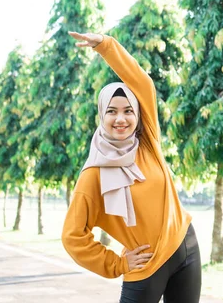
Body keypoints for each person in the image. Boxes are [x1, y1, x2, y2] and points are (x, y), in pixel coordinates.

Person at [61, 31, 201, 303]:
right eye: (112, 111)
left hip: (186, 247)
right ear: (101, 115)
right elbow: (72, 237)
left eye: (128, 110)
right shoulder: (94, 174)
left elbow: (143, 84)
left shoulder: (148, 142)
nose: (121, 118)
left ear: (138, 116)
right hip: (145, 264)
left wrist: (106, 45)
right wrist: (117, 264)